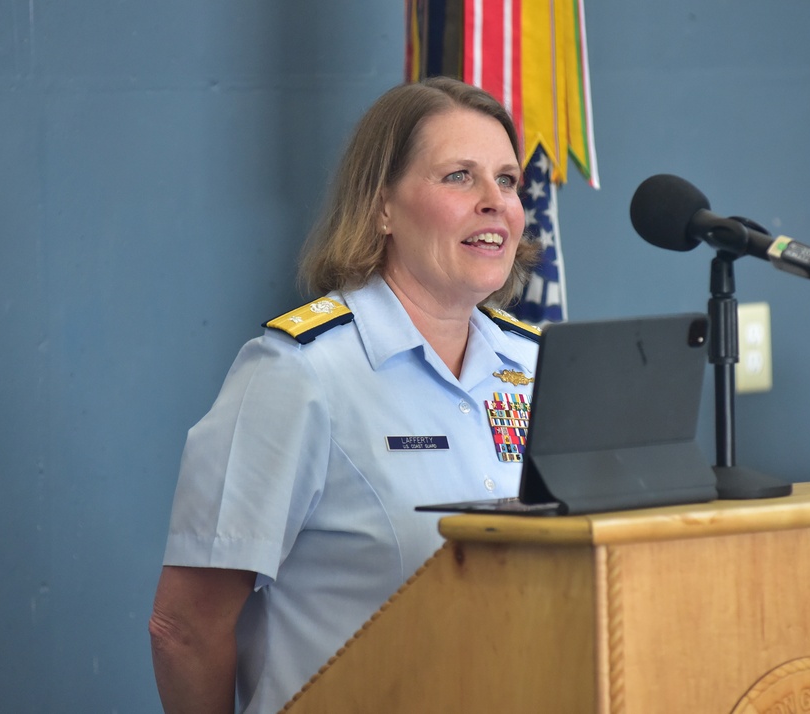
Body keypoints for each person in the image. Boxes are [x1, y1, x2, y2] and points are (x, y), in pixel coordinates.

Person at [149, 76, 543, 714]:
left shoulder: (536, 365)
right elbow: (184, 629)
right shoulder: (297, 373)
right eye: (458, 177)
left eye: (505, 180)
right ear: (381, 207)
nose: (494, 202)